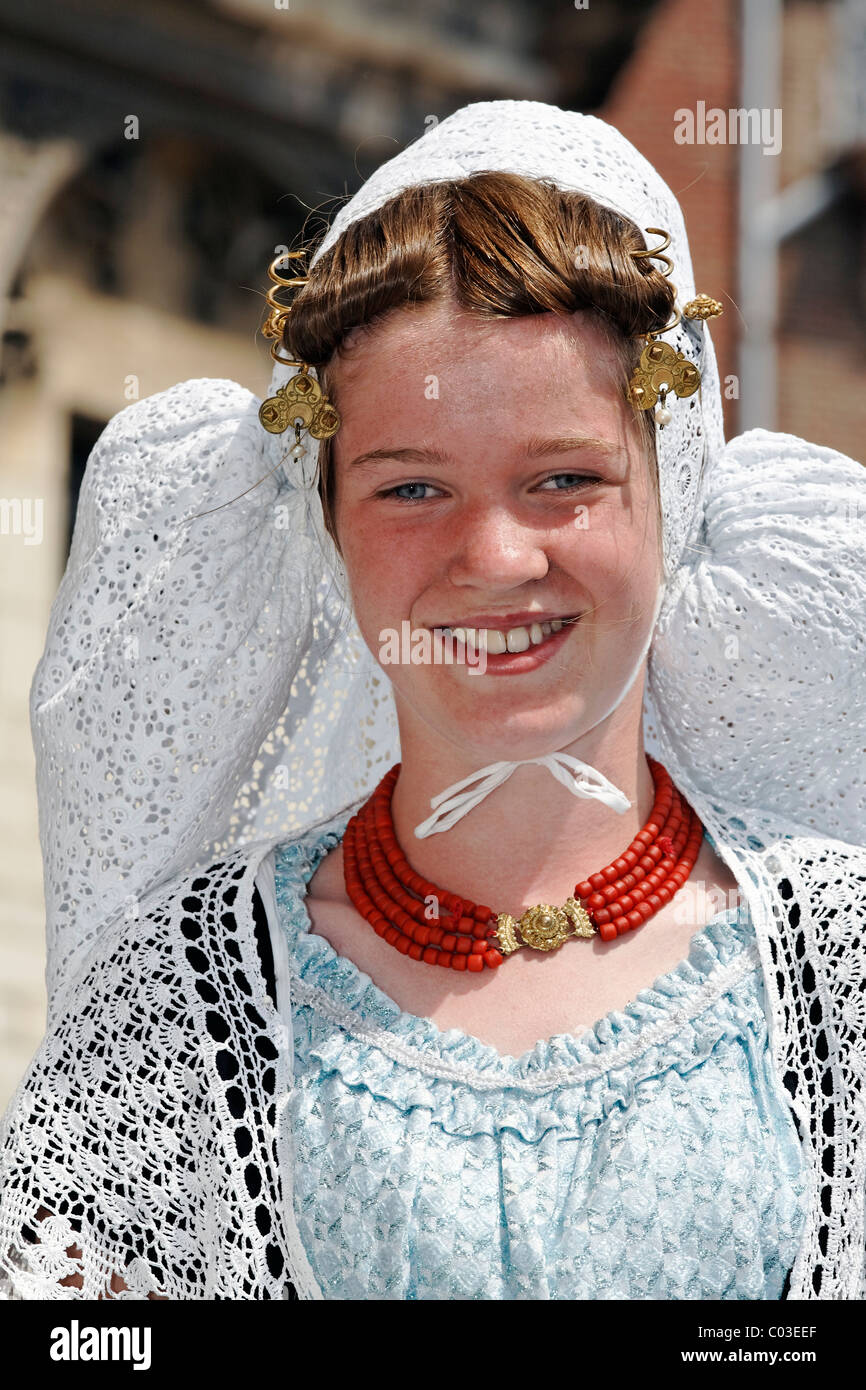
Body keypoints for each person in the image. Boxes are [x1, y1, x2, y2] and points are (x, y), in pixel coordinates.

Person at [0, 101, 864, 1301]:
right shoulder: (179, 1006)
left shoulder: (841, 962)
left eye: (563, 478)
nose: (496, 556)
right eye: (411, 488)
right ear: (328, 527)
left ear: (671, 497)